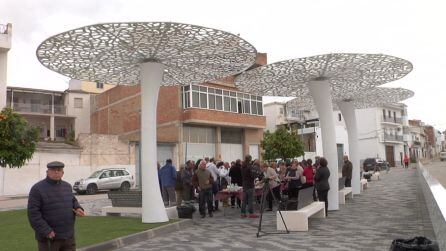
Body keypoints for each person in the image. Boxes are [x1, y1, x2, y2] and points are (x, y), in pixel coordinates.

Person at [28, 161, 85, 251]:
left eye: (59, 170)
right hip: (49, 238)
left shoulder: (67, 186)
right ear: (47, 172)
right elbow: (33, 214)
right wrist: (46, 231)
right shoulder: (37, 188)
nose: (56, 172)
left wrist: (77, 208)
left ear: (62, 173)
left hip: (68, 236)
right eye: (53, 170)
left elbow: (72, 200)